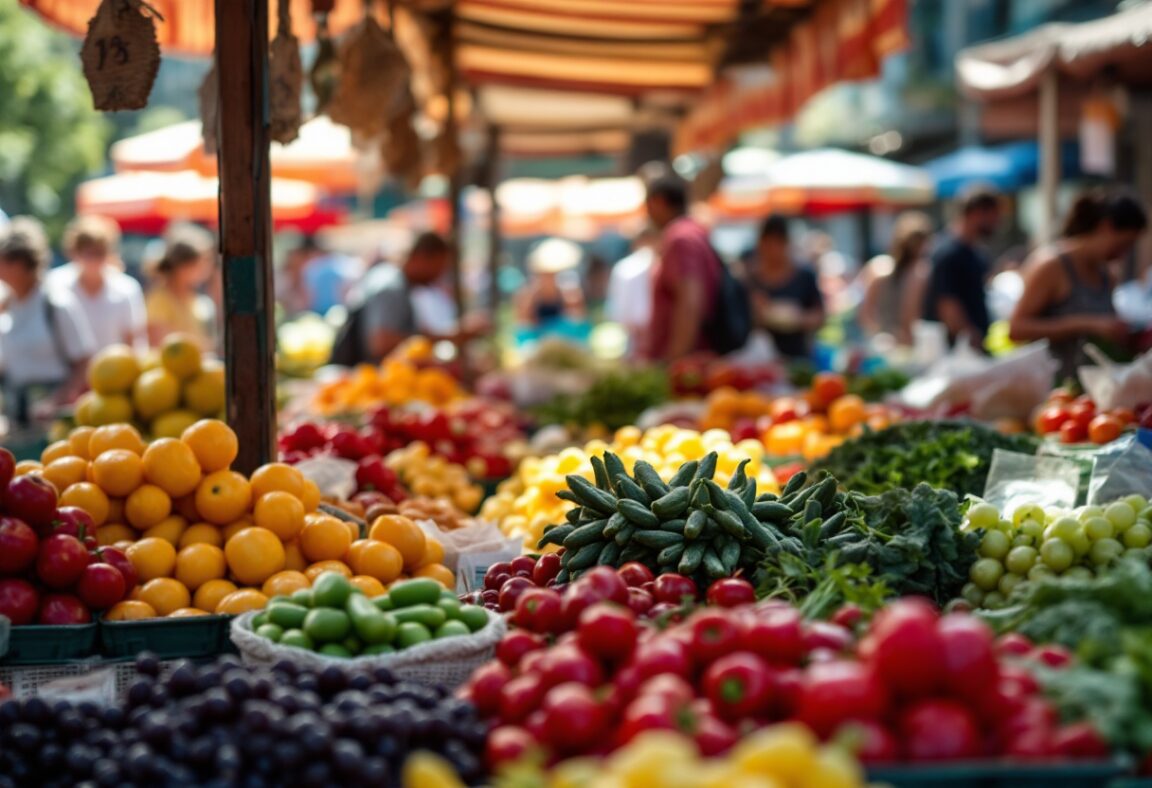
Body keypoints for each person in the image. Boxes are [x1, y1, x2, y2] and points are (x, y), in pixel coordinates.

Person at [1009, 190, 1147, 379]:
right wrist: (1086, 324)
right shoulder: (1051, 266)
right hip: (1053, 389)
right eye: (1122, 245)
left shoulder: (1107, 275)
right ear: (1105, 227)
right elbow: (1017, 329)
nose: (1122, 254)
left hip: (1093, 389)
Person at [0, 217, 95, 431]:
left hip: (54, 421)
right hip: (17, 416)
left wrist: (57, 401)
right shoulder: (7, 304)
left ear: (21, 263)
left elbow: (84, 361)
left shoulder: (57, 303)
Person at [338, 231, 484, 363]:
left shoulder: (396, 282)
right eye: (440, 266)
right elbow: (381, 343)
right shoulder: (391, 287)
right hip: (369, 379)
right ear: (421, 258)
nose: (440, 275)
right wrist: (447, 337)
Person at [643, 175, 721, 361]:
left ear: (658, 202)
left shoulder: (680, 238)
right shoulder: (694, 232)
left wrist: (675, 360)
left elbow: (690, 302)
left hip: (687, 365)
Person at [46, 215, 147, 353]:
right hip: (68, 373)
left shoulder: (127, 289)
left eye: (99, 253)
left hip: (114, 371)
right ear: (74, 252)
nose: (93, 260)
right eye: (88, 253)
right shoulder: (54, 283)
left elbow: (133, 340)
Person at [922, 187, 1002, 350]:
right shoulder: (948, 253)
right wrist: (971, 338)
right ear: (976, 213)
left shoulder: (977, 253)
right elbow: (947, 304)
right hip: (956, 351)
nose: (997, 222)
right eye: (993, 215)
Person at [747, 215, 825, 360]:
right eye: (768, 244)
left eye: (778, 243)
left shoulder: (804, 276)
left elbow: (820, 317)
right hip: (761, 359)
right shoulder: (750, 279)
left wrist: (797, 319)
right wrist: (755, 311)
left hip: (798, 358)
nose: (773, 250)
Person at [859, 212, 933, 346]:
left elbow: (865, 314)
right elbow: (910, 316)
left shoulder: (877, 266)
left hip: (883, 343)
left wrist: (879, 334)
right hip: (903, 344)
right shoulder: (919, 273)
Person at [145, 224, 218, 349]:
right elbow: (162, 344)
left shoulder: (194, 298)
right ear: (182, 266)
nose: (206, 269)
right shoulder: (159, 300)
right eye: (200, 263)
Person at [514, 237, 585, 330]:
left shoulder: (569, 294)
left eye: (551, 274)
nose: (548, 278)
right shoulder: (529, 295)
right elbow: (523, 323)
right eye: (545, 274)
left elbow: (577, 320)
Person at [606, 228, 657, 355]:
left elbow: (616, 307)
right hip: (643, 328)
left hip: (634, 328)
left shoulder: (624, 267)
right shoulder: (629, 267)